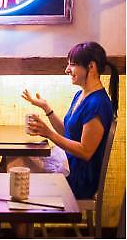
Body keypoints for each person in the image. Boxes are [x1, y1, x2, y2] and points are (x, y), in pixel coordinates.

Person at [22, 41, 118, 199]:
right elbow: (68, 133)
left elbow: (85, 151)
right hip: (67, 164)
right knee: (13, 160)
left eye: (72, 65)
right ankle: (13, 221)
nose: (67, 70)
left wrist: (49, 134)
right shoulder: (81, 95)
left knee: (16, 168)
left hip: (79, 179)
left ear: (91, 67)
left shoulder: (97, 104)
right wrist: (47, 109)